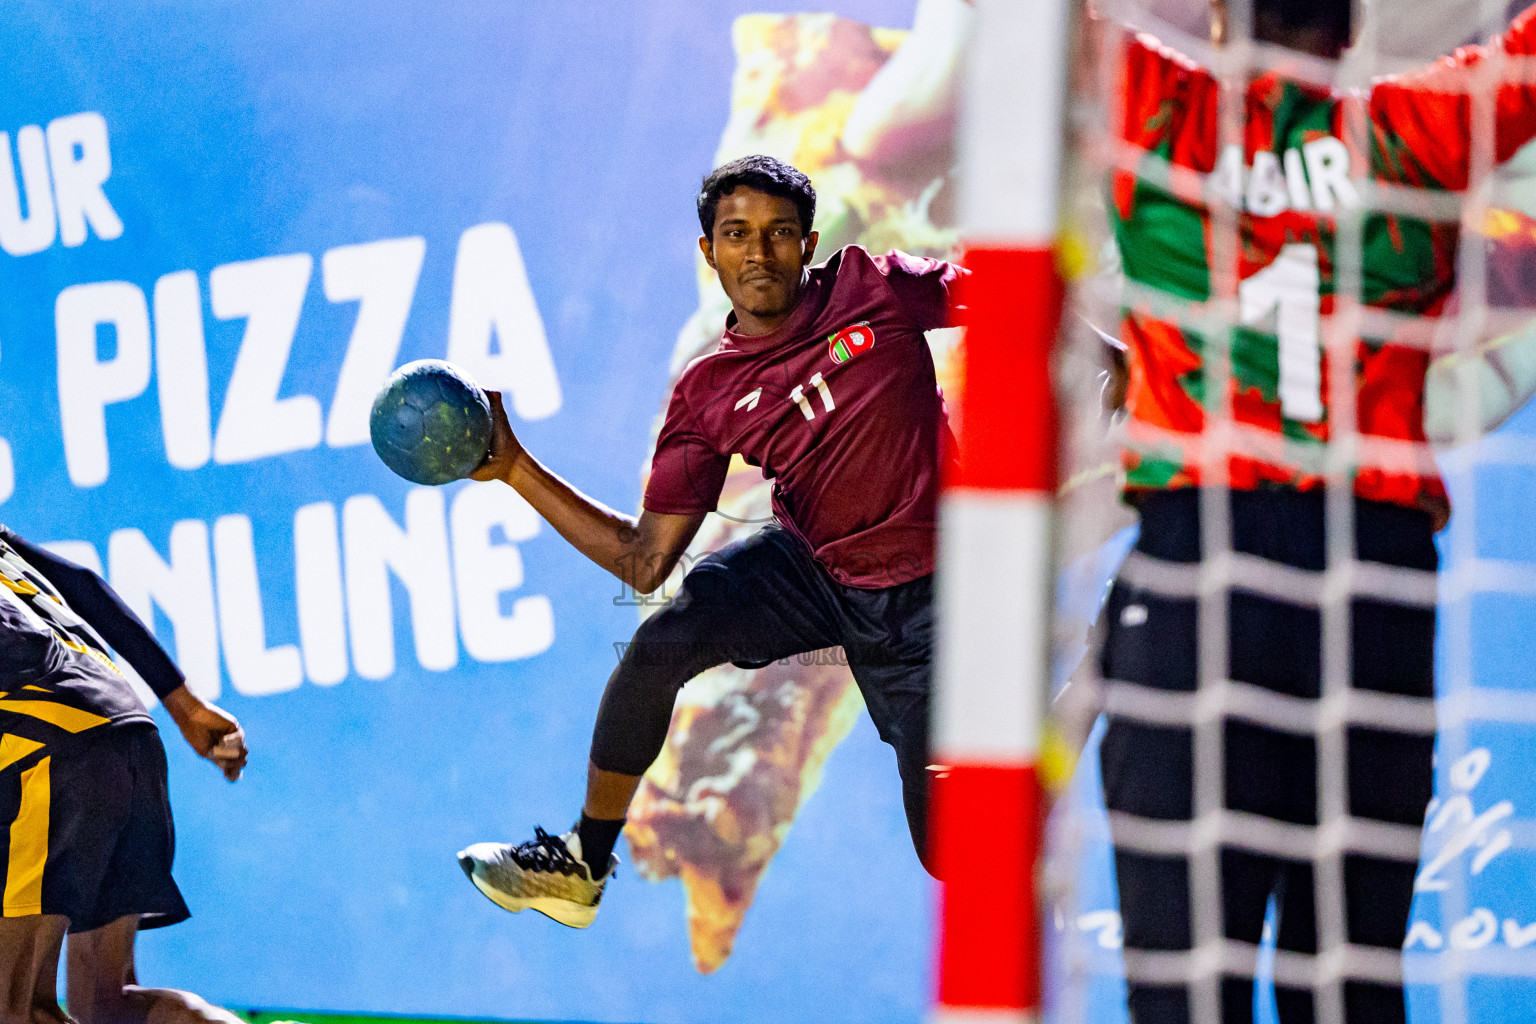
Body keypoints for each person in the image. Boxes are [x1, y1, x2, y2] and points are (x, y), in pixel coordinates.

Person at [1071, 1, 1536, 1021]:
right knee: (1350, 983)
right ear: (1354, 28)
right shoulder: (1418, 127)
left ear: (1223, 24)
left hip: (1200, 572)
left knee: (1187, 984)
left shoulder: (1160, 109)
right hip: (1367, 589)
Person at [457, 154, 963, 928]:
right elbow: (643, 558)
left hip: (946, 588)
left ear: (809, 243)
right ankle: (583, 863)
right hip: (817, 568)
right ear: (708, 252)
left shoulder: (877, 285)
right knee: (662, 641)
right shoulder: (708, 393)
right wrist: (516, 469)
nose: (757, 253)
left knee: (953, 849)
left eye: (777, 234)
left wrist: (1103, 356)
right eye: (736, 234)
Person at [0, 526, 249, 1024]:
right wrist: (183, 703)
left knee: (18, 1008)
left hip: (49, 747)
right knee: (109, 1004)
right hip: (126, 728)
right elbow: (81, 582)